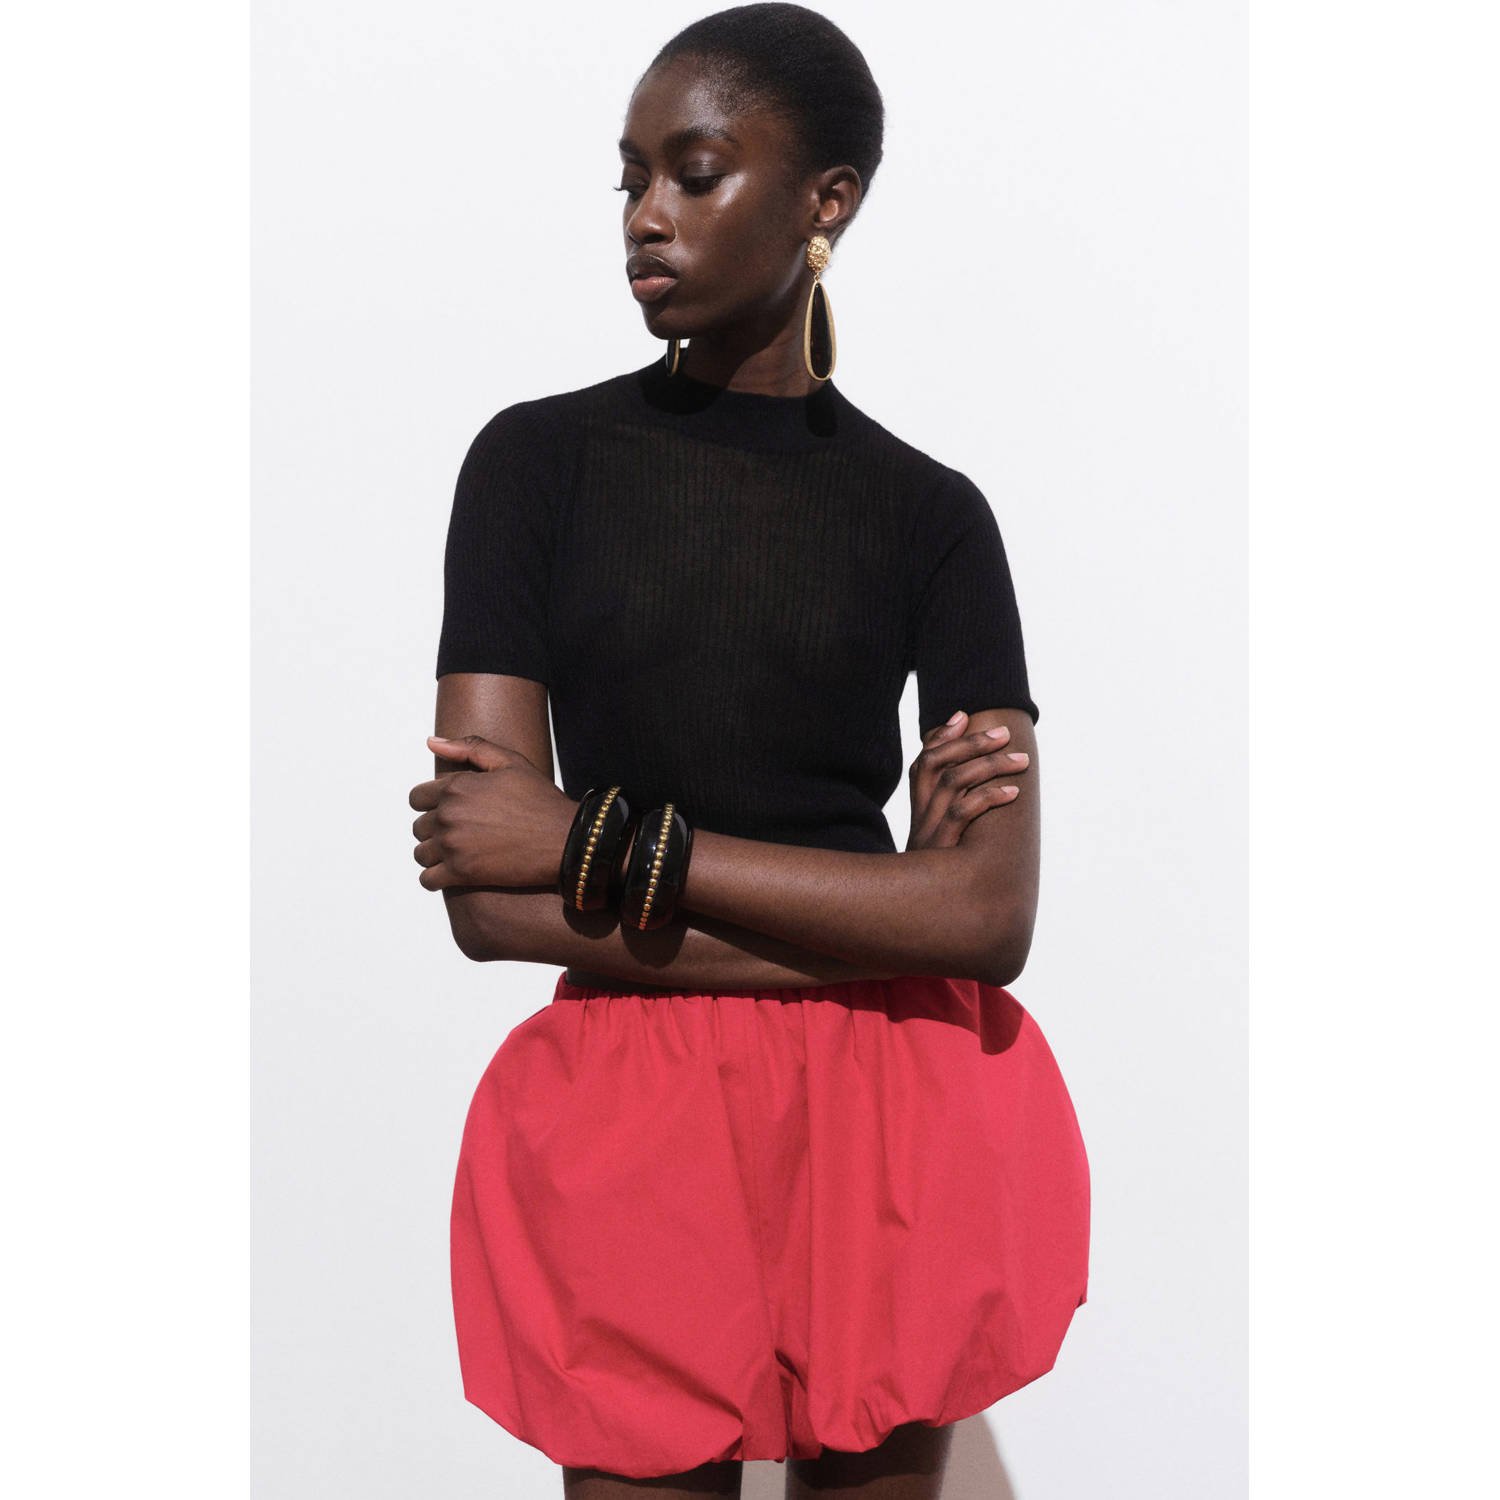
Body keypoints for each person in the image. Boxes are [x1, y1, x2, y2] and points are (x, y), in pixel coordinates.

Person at [408, 6, 1090, 1497]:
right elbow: (489, 897)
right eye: (631, 177)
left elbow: (991, 920)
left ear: (825, 200)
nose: (646, 214)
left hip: (889, 1113)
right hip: (632, 1106)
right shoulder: (533, 466)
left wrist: (590, 842)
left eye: (696, 172)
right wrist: (881, 917)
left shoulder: (934, 518)